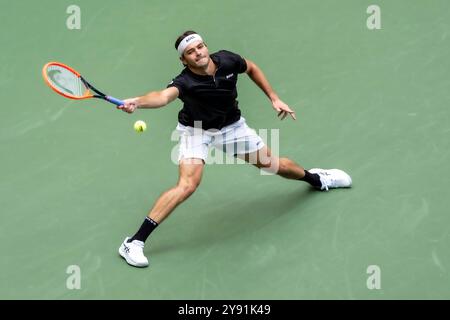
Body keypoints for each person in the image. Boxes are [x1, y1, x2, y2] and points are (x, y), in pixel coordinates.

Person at [117, 31, 352, 267]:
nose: (198, 52)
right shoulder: (184, 82)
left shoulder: (227, 60)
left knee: (274, 165)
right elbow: (162, 97)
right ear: (183, 60)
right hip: (196, 131)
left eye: (200, 46)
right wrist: (138, 101)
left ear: (206, 46)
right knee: (188, 185)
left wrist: (274, 97)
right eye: (190, 51)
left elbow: (251, 68)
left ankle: (317, 179)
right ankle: (134, 243)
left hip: (232, 127)